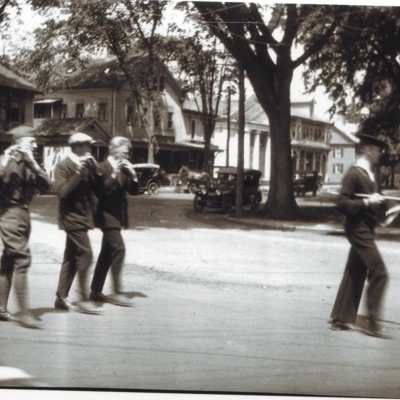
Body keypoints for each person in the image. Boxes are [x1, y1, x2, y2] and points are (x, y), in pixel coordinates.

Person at [330, 133, 391, 338]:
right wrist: (366, 203)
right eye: (377, 151)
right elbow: (341, 203)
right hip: (357, 229)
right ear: (367, 150)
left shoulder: (371, 174)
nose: (380, 154)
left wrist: (386, 212)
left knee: (356, 270)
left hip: (366, 227)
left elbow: (376, 203)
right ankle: (371, 323)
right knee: (380, 272)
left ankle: (340, 317)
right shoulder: (354, 174)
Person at [0, 131, 52, 328]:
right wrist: (6, 158)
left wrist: (33, 164)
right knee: (22, 258)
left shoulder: (30, 164)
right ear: (19, 143)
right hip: (8, 213)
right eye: (32, 142)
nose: (36, 146)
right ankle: (23, 313)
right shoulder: (5, 161)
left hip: (23, 213)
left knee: (9, 259)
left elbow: (47, 186)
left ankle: (1, 308)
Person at [54, 132, 103, 314]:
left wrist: (96, 171)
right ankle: (83, 298)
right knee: (86, 254)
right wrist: (78, 173)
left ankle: (61, 297)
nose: (90, 150)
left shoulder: (89, 165)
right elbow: (62, 193)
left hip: (84, 217)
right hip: (71, 218)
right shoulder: (63, 166)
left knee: (71, 257)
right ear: (76, 147)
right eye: (87, 146)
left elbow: (99, 190)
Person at [89, 137, 138, 306]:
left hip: (117, 216)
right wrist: (115, 173)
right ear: (115, 150)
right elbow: (101, 191)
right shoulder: (101, 167)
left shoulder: (124, 167)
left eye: (128, 152)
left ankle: (95, 290)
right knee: (119, 249)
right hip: (105, 215)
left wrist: (134, 176)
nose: (128, 154)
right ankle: (117, 292)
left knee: (107, 253)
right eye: (125, 151)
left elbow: (134, 191)